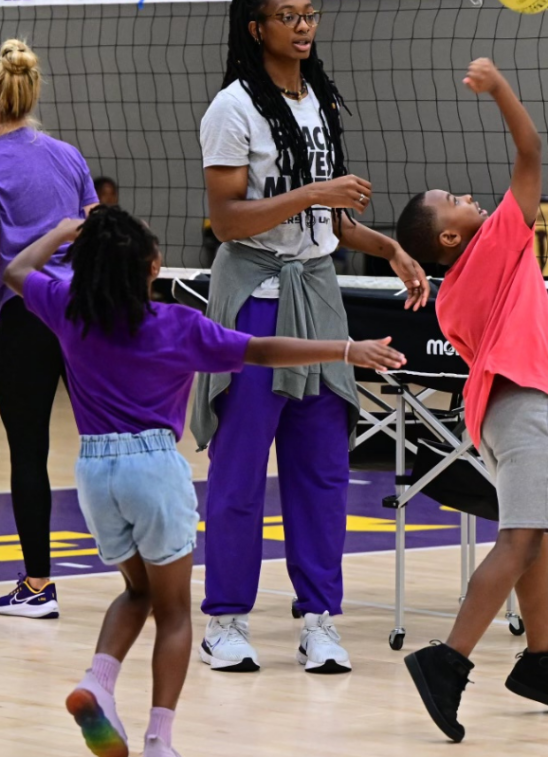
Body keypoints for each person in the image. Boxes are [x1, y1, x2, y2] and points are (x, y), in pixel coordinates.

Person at [2, 207, 404, 757]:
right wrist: (344, 350)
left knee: (136, 590)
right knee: (173, 614)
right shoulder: (176, 325)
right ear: (152, 267)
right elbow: (262, 351)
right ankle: (159, 739)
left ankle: (98, 682)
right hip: (153, 469)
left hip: (95, 471)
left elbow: (18, 270)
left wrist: (65, 230)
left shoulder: (70, 310)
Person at [195, 0, 429, 674]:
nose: (302, 26)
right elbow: (227, 218)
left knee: (321, 468)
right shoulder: (232, 108)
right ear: (256, 28)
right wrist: (312, 194)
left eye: (309, 14)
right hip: (256, 293)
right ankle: (227, 622)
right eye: (287, 15)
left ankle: (320, 620)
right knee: (240, 472)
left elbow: (327, 217)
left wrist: (388, 246)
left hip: (319, 290)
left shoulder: (317, 102)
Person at [395, 58, 548, 743]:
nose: (468, 198)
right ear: (451, 237)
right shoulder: (497, 246)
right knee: (520, 541)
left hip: (496, 413)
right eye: (453, 200)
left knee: (537, 539)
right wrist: (500, 88)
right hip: (526, 402)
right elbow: (531, 152)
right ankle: (447, 661)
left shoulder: (452, 293)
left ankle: (541, 661)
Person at [0, 38, 98, 618]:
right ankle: (151, 576)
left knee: (29, 451)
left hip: (21, 317)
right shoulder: (67, 155)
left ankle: (38, 586)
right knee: (111, 443)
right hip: (78, 313)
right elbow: (91, 230)